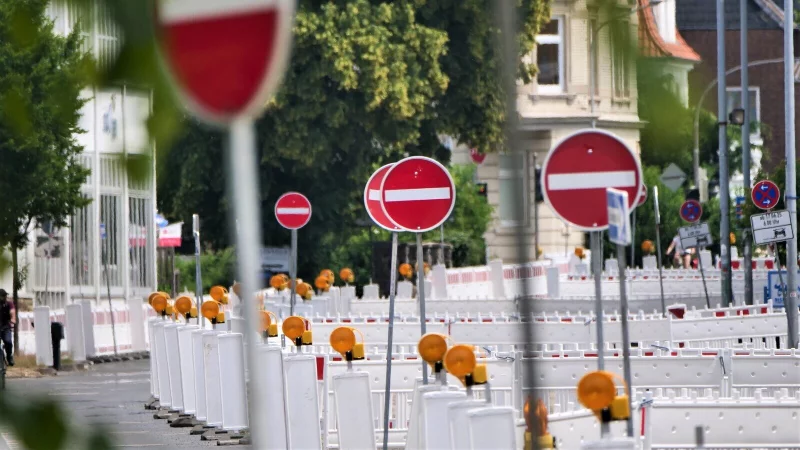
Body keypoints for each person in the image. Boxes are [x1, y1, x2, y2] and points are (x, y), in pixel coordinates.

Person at [0, 289, 15, 366]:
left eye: (5, 295)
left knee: (8, 341)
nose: (5, 297)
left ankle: (9, 357)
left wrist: (12, 321)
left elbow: (12, 313)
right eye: (3, 296)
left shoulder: (9, 304)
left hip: (6, 327)